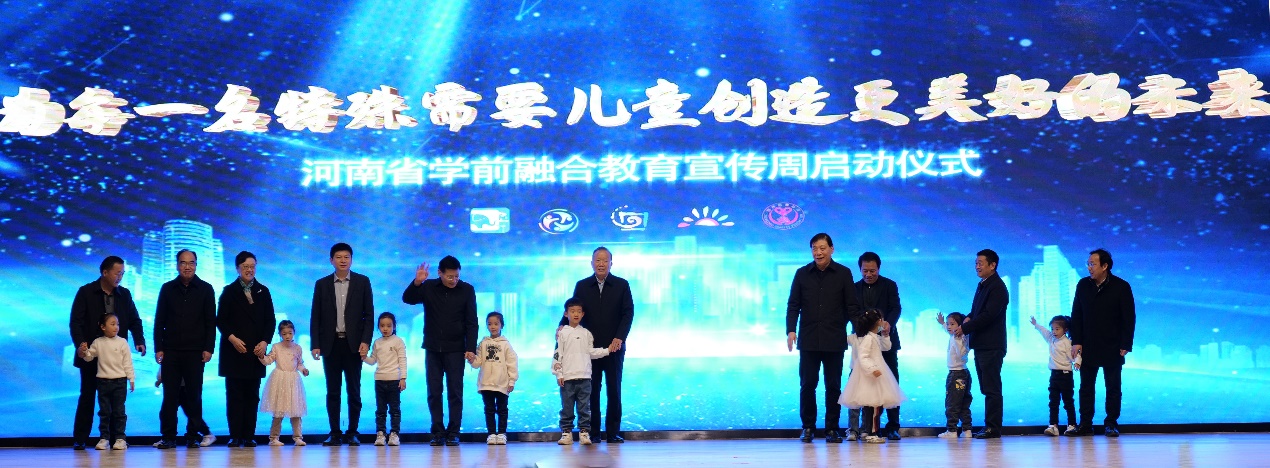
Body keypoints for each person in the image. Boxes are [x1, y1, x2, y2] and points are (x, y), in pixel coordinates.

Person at [786, 233, 862, 443]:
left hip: (834, 338)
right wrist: (791, 330)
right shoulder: (802, 273)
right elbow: (793, 304)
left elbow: (852, 306)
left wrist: (859, 332)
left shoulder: (843, 273)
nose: (818, 252)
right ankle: (808, 427)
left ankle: (832, 429)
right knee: (807, 385)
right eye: (814, 248)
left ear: (831, 249)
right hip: (809, 339)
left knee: (833, 386)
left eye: (822, 248)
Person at [69, 256, 146, 450]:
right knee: (87, 396)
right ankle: (80, 438)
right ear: (105, 272)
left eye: (122, 274)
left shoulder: (124, 295)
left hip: (115, 360)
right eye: (117, 273)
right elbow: (76, 322)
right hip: (91, 355)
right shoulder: (86, 292)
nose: (120, 277)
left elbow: (135, 320)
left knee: (115, 402)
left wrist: (139, 341)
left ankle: (115, 438)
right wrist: (80, 345)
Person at [402, 255, 479, 446]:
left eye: (457, 276)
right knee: (434, 392)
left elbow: (471, 321)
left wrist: (470, 348)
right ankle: (437, 432)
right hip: (433, 348)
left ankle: (454, 433)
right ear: (440, 273)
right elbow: (408, 299)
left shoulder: (467, 289)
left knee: (455, 392)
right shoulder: (429, 287)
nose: (454, 280)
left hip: (456, 349)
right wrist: (417, 282)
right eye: (450, 276)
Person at [563, 247, 634, 443]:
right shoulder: (582, 285)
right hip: (589, 349)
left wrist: (619, 338)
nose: (601, 264)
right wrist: (562, 325)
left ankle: (612, 433)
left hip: (614, 348)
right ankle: (592, 432)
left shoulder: (621, 285)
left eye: (605, 260)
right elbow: (573, 309)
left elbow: (628, 314)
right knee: (591, 391)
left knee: (614, 390)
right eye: (598, 260)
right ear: (592, 263)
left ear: (611, 263)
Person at [310, 243, 375, 446]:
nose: (343, 260)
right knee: (333, 391)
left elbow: (369, 315)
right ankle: (335, 433)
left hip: (353, 344)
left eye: (346, 257)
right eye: (338, 257)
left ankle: (353, 432)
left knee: (354, 391)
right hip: (330, 345)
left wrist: (365, 341)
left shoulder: (362, 282)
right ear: (331, 260)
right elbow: (315, 316)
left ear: (351, 259)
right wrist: (315, 344)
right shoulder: (322, 284)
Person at [153, 249, 217, 449]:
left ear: (196, 265)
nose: (187, 267)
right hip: (171, 351)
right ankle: (168, 437)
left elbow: (210, 322)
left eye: (191, 263)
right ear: (177, 265)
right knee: (170, 397)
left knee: (194, 396)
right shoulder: (167, 289)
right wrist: (159, 348)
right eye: (183, 262)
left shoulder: (206, 289)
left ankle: (192, 436)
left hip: (195, 352)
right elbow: (159, 320)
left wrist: (209, 348)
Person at [1069, 248, 1136, 438]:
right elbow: (1076, 314)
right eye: (1088, 264)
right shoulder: (1083, 285)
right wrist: (1076, 341)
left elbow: (1129, 317)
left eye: (1093, 264)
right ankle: (1085, 424)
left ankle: (1111, 423)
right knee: (1086, 387)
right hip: (1087, 344)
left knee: (1113, 387)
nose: (1089, 267)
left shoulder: (1121, 286)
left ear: (1105, 266)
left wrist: (1126, 343)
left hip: (1113, 345)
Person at [218, 251, 277, 447]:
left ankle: (249, 435)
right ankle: (235, 435)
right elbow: (221, 320)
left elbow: (270, 320)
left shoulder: (263, 291)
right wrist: (232, 338)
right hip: (234, 352)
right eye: (245, 266)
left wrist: (265, 342)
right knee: (234, 395)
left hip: (255, 352)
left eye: (252, 266)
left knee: (252, 395)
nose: (250, 270)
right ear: (237, 268)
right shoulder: (229, 291)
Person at [852, 251, 903, 440]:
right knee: (863, 384)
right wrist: (862, 328)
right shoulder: (854, 288)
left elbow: (896, 308)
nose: (868, 274)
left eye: (872, 271)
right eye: (865, 271)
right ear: (860, 269)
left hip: (885, 341)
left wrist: (888, 323)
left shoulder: (890, 285)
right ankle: (866, 428)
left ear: (879, 269)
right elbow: (852, 312)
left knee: (890, 383)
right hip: (863, 342)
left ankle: (893, 427)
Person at [959, 248, 1008, 439]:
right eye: (976, 263)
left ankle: (993, 428)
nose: (977, 266)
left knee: (992, 388)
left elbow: (988, 315)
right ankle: (990, 426)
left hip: (992, 345)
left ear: (992, 265)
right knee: (987, 388)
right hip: (981, 344)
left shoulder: (997, 287)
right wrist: (967, 318)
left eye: (980, 263)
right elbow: (977, 311)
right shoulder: (983, 285)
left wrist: (966, 328)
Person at [838, 309, 904, 444]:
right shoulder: (868, 338)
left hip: (877, 375)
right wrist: (872, 369)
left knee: (873, 406)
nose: (883, 322)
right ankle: (872, 433)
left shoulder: (875, 337)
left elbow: (886, 347)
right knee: (874, 406)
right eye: (882, 320)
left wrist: (885, 335)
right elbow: (863, 356)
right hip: (871, 376)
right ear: (877, 322)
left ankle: (868, 431)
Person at [553, 298, 611, 446]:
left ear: (583, 314)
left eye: (579, 311)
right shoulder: (562, 333)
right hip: (567, 378)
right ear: (566, 314)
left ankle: (584, 433)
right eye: (572, 311)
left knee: (584, 407)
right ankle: (567, 433)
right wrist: (559, 374)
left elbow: (591, 352)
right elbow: (558, 354)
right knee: (567, 407)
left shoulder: (586, 333)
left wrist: (607, 350)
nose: (576, 314)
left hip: (585, 377)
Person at [81, 313, 136, 450]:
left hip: (120, 382)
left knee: (119, 412)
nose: (116, 327)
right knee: (104, 412)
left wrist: (131, 378)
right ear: (103, 327)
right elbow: (89, 357)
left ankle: (120, 438)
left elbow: (127, 362)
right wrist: (85, 351)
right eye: (112, 324)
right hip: (103, 382)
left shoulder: (122, 342)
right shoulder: (98, 342)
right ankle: (104, 438)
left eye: (117, 324)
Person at [469, 311, 519, 445]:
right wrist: (471, 359)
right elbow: (478, 363)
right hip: (486, 383)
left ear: (502, 325)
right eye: (490, 324)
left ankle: (502, 433)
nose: (493, 327)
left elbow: (512, 362)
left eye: (496, 324)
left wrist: (512, 380)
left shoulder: (505, 344)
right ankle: (491, 434)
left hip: (502, 383)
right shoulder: (483, 343)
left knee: (502, 409)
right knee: (489, 409)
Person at [259, 320, 310, 447]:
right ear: (280, 334)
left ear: (294, 333)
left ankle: (298, 437)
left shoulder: (297, 348)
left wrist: (303, 370)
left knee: (296, 410)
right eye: (284, 334)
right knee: (278, 410)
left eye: (290, 333)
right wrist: (262, 356)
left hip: (293, 381)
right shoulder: (276, 347)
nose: (287, 336)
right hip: (280, 380)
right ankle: (273, 438)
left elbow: (299, 363)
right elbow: (269, 360)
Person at [1030, 315, 1080, 436]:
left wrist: (1077, 362)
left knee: (1068, 401)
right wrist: (1036, 325)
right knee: (1053, 402)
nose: (1054, 331)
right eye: (1053, 329)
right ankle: (1053, 425)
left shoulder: (1067, 342)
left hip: (1066, 376)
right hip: (1054, 376)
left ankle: (1072, 425)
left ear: (1065, 330)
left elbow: (1076, 354)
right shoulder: (1051, 339)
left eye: (1057, 329)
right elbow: (1044, 331)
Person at [363, 312, 407, 447]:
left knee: (394, 410)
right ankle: (381, 434)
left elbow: (402, 360)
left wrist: (403, 378)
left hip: (394, 380)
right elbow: (373, 360)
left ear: (394, 326)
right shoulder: (377, 343)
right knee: (380, 410)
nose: (385, 328)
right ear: (378, 327)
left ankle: (394, 434)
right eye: (382, 326)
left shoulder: (398, 341)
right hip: (379, 380)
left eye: (389, 325)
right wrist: (364, 357)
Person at [935, 312, 974, 439]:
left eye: (952, 324)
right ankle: (967, 430)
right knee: (964, 403)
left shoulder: (959, 338)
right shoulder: (956, 335)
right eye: (948, 324)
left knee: (952, 403)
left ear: (960, 326)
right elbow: (948, 330)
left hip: (956, 374)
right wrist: (942, 323)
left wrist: (958, 341)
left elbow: (962, 353)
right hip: (964, 373)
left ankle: (952, 430)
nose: (948, 327)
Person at [151, 374, 215, 447]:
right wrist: (161, 377)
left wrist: (161, 377)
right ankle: (169, 438)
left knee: (188, 410)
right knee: (171, 411)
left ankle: (204, 434)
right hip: (174, 382)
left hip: (184, 383)